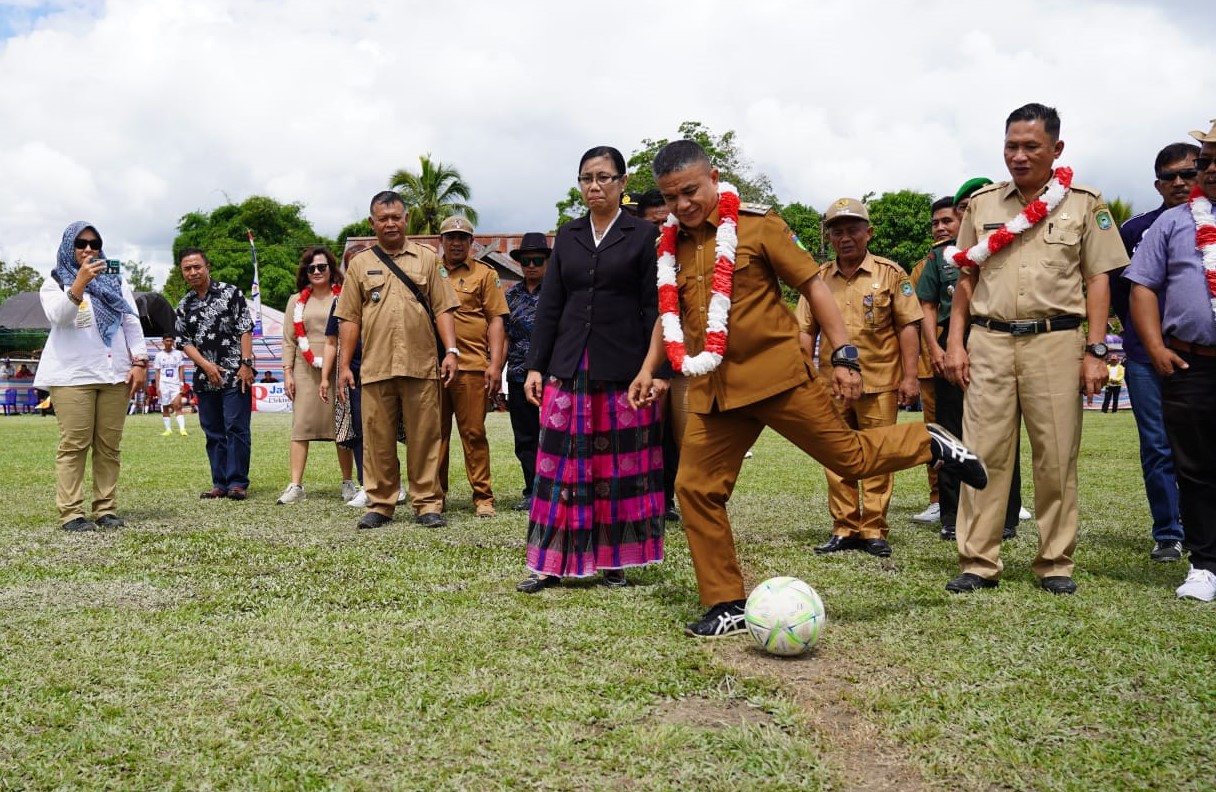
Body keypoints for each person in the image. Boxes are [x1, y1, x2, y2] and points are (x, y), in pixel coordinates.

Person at [643, 140, 988, 637]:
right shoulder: (669, 244)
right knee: (694, 489)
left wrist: (844, 353)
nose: (682, 205)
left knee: (849, 458)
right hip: (716, 390)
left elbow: (814, 286)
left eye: (690, 191)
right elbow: (669, 313)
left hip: (777, 376)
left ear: (714, 177)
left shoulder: (758, 225)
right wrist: (650, 369)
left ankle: (927, 440)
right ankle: (726, 604)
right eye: (671, 197)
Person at [944, 103, 1127, 595]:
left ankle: (1054, 563)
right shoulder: (981, 205)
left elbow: (1097, 279)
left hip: (1056, 342)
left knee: (1056, 456)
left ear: (1056, 150)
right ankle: (978, 561)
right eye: (1011, 146)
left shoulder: (1085, 203)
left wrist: (1096, 350)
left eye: (1031, 147)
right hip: (989, 342)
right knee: (982, 454)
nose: (1019, 156)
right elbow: (965, 277)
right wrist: (954, 343)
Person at [516, 145, 667, 594]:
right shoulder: (569, 235)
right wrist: (535, 367)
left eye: (603, 177)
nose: (594, 186)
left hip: (625, 369)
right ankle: (548, 564)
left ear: (622, 183)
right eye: (586, 178)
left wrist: (656, 370)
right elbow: (551, 307)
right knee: (559, 465)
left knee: (618, 466)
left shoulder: (642, 237)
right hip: (569, 364)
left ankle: (615, 561)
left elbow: (653, 308)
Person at [797, 197, 922, 558]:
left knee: (879, 455)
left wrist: (910, 377)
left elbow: (908, 327)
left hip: (880, 382)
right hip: (829, 384)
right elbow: (804, 330)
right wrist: (805, 374)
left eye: (853, 230)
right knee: (836, 455)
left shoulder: (891, 274)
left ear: (869, 232)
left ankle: (874, 529)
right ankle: (844, 526)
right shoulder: (817, 279)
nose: (845, 238)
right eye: (837, 232)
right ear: (829, 237)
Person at [1125, 117, 1216, 601]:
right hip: (1189, 363)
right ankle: (1203, 562)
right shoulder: (1169, 222)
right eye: (1206, 162)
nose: (1208, 170)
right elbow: (1140, 286)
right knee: (1192, 464)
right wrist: (1155, 347)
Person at [334, 191, 460, 530]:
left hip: (421, 364)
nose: (390, 223)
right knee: (377, 439)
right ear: (372, 223)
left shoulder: (428, 259)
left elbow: (443, 308)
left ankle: (427, 503)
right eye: (382, 218)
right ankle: (381, 503)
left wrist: (451, 351)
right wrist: (344, 366)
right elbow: (349, 319)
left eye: (396, 217)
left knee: (425, 437)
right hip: (374, 367)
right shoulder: (359, 264)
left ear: (405, 220)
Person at [918, 183, 1028, 542]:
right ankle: (951, 514)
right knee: (952, 431)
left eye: (971, 206)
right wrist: (937, 349)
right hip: (957, 342)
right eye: (964, 206)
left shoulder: (1012, 242)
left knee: (1003, 432)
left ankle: (1007, 515)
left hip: (1001, 336)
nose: (968, 212)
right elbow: (928, 305)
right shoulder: (941, 257)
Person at [1112, 142, 1198, 562]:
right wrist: (1143, 339)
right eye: (1170, 176)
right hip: (1146, 357)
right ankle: (1168, 531)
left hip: (1203, 352)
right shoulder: (1134, 230)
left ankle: (1204, 530)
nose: (1180, 182)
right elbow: (1119, 291)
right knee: (1158, 446)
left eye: (1189, 173)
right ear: (1157, 183)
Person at [34, 222, 147, 531]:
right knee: (74, 444)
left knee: (109, 445)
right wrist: (79, 283)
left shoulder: (116, 281)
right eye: (81, 244)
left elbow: (130, 322)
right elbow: (59, 316)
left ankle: (106, 509)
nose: (88, 249)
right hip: (72, 374)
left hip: (115, 372)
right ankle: (71, 514)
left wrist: (140, 361)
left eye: (94, 243)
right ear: (69, 246)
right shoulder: (54, 281)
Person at [435, 215, 509, 519]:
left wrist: (495, 363)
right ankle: (434, 496)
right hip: (432, 369)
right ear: (441, 240)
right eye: (450, 237)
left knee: (474, 433)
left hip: (471, 367)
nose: (456, 243)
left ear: (470, 242)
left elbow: (496, 319)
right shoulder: (429, 272)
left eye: (462, 238)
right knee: (433, 437)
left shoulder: (485, 274)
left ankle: (483, 497)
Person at [277, 246, 356, 504]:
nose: (317, 272)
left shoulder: (344, 296)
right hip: (304, 369)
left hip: (339, 368)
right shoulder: (295, 301)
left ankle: (348, 482)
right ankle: (295, 486)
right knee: (300, 427)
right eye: (311, 268)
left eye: (322, 267)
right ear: (305, 272)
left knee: (342, 427)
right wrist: (287, 372)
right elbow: (289, 339)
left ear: (331, 269)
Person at [175, 248, 255, 501]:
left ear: (207, 266)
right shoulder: (183, 305)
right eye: (187, 268)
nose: (193, 272)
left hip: (235, 373)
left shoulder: (231, 293)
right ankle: (219, 483)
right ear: (182, 272)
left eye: (197, 266)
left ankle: (237, 483)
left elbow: (245, 329)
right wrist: (206, 366)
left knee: (236, 428)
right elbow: (184, 342)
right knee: (213, 432)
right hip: (204, 378)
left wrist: (246, 363)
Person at [907, 196, 957, 525]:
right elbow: (912, 317)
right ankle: (939, 498)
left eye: (947, 222)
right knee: (938, 432)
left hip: (975, 355)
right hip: (931, 363)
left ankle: (1001, 496)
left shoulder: (982, 254)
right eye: (935, 223)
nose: (939, 228)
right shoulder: (924, 266)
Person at [322, 244, 371, 508]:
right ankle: (367, 485)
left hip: (385, 370)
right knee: (359, 432)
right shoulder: (339, 302)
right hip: (353, 374)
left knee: (388, 432)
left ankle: (394, 484)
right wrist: (328, 376)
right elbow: (331, 342)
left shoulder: (384, 294)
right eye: (351, 262)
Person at [505, 232, 550, 512]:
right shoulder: (510, 296)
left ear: (547, 261)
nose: (531, 265)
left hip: (552, 376)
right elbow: (503, 336)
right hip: (518, 375)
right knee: (525, 437)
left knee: (555, 435)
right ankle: (531, 489)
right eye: (526, 261)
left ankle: (554, 489)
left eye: (537, 260)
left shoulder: (560, 294)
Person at [153, 336, 188, 436]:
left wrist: (182, 383)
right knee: (165, 406)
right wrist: (157, 386)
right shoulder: (159, 355)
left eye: (171, 341)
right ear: (163, 342)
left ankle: (182, 429)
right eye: (167, 340)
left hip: (175, 383)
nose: (169, 342)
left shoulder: (178, 354)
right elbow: (157, 371)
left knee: (178, 405)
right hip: (163, 384)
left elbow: (181, 369)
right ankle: (168, 430)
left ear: (173, 342)